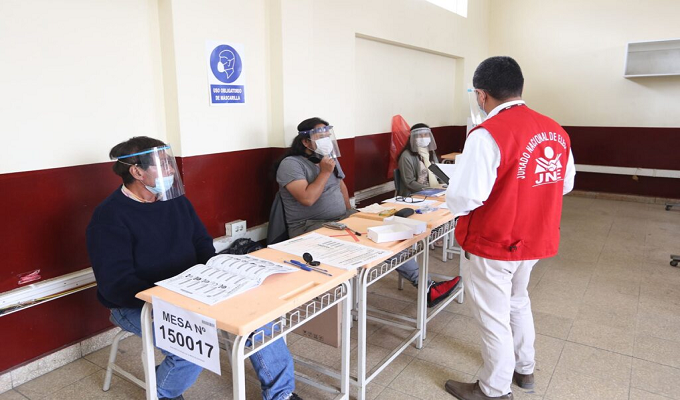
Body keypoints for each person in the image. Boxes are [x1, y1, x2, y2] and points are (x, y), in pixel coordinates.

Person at [87, 137, 302, 400]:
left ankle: (281, 394)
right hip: (136, 302)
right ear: (137, 172)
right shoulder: (109, 217)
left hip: (194, 290)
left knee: (259, 319)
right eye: (163, 165)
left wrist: (212, 277)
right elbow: (116, 284)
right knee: (192, 348)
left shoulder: (175, 201)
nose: (170, 170)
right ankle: (162, 392)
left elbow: (201, 243)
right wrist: (173, 298)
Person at [444, 57, 575, 400]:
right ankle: (525, 368)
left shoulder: (487, 134)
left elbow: (464, 198)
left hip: (494, 241)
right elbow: (564, 184)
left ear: (481, 95)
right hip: (534, 239)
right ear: (520, 88)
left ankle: (494, 389)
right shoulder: (555, 130)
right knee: (518, 300)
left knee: (493, 316)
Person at [276, 118, 460, 307]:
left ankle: (428, 287)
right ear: (306, 142)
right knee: (372, 239)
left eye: (327, 136)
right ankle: (426, 288)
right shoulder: (291, 165)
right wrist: (324, 172)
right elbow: (307, 199)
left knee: (389, 235)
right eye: (320, 137)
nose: (326, 140)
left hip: (340, 219)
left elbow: (341, 185)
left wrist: (350, 212)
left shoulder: (328, 159)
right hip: (309, 225)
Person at [397, 123, 444, 197]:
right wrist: (430, 189)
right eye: (420, 135)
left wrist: (444, 185)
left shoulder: (431, 152)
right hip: (416, 193)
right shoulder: (406, 156)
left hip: (436, 191)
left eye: (426, 135)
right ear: (413, 138)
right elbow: (409, 182)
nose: (423, 138)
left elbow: (439, 173)